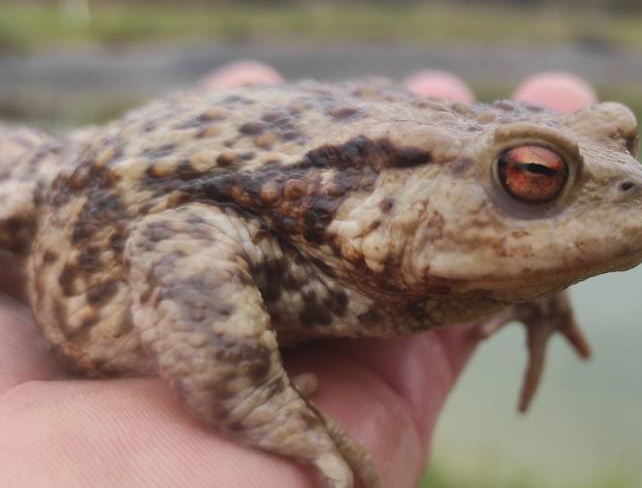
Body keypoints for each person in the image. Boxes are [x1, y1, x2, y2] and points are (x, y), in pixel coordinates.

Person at [0, 63, 598, 487]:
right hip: (101, 191)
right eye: (534, 176)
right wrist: (247, 395)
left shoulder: (388, 235)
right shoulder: (331, 208)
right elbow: (174, 238)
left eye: (623, 137)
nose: (630, 189)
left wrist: (537, 286)